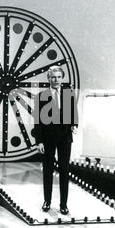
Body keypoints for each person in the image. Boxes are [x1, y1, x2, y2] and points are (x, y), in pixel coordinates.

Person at [34, 66, 78, 215]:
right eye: (53, 77)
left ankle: (63, 204)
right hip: (47, 139)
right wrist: (39, 141)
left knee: (64, 171)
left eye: (59, 77)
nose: (56, 80)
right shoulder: (41, 96)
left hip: (65, 138)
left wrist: (74, 125)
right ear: (49, 78)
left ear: (62, 78)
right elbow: (38, 121)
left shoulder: (68, 94)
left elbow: (74, 114)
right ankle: (47, 201)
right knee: (48, 170)